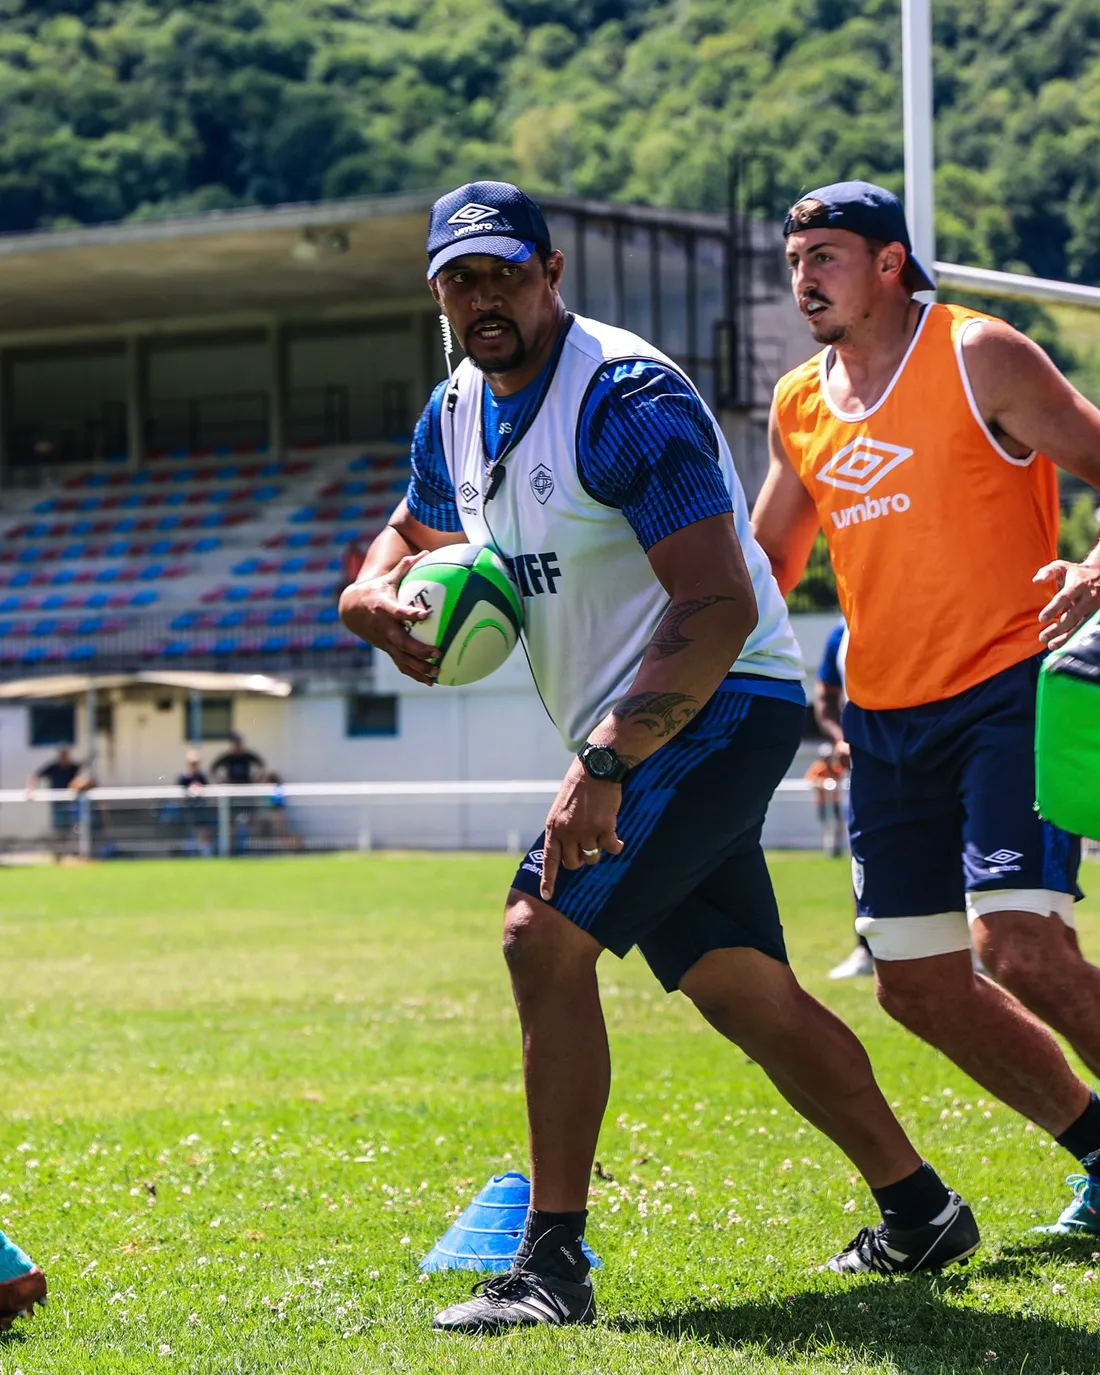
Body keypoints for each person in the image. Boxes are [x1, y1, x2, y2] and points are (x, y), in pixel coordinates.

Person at [340, 179, 979, 1334]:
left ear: (551, 272)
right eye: (457, 280)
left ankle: (552, 1262)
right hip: (646, 724)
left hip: (718, 705)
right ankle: (920, 1207)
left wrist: (607, 759)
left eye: (501, 272)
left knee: (538, 935)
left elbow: (720, 603)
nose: (481, 298)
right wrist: (370, 587)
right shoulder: (454, 407)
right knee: (744, 991)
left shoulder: (624, 396)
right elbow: (417, 524)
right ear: (437, 295)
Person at [753, 179, 1100, 1235]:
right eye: (794, 259)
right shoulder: (796, 404)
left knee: (1018, 943)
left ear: (890, 261)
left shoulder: (976, 352)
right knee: (914, 987)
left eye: (826, 256)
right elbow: (766, 559)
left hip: (1006, 692)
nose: (802, 277)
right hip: (882, 726)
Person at [814, 617, 873, 978]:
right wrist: (841, 738)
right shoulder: (842, 631)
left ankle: (969, 949)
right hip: (869, 760)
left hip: (929, 747)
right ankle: (866, 950)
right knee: (866, 851)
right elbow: (825, 698)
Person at [26, 745, 81, 854]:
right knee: (58, 828)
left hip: (70, 802)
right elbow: (34, 775)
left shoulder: (72, 767)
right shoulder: (53, 767)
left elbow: (83, 769)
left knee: (70, 827)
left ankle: (67, 850)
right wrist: (30, 790)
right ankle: (58, 852)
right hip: (57, 802)